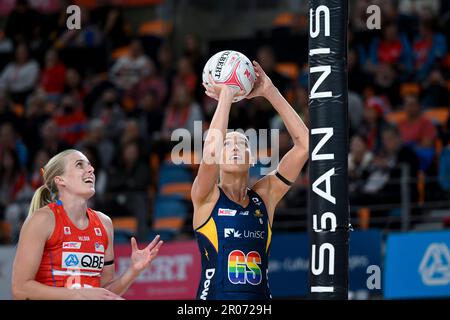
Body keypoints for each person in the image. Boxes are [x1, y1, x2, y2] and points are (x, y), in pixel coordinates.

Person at [192, 61, 309, 300]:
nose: (234, 147)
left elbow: (305, 146)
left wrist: (270, 91)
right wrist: (226, 94)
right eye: (228, 144)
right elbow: (210, 152)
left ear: (252, 158)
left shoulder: (264, 197)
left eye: (242, 144)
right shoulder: (206, 196)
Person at [12, 149, 163, 299]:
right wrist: (78, 294)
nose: (91, 169)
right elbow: (20, 289)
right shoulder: (42, 219)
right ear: (60, 180)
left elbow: (104, 293)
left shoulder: (104, 223)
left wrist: (134, 270)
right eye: (79, 165)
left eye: (90, 165)